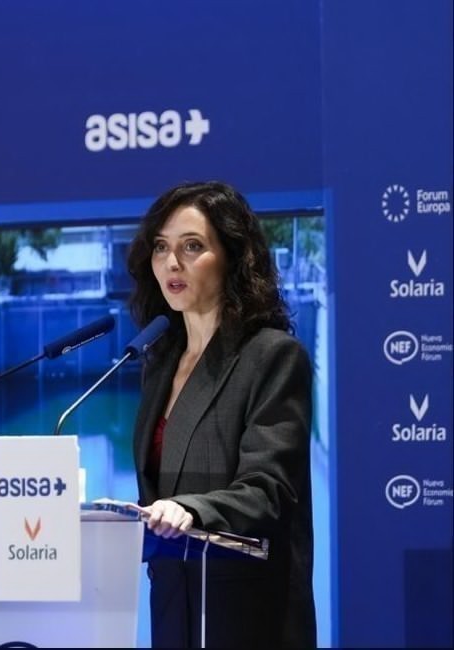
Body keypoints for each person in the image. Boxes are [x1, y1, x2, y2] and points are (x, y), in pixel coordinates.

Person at [125, 181, 316, 648]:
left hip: (246, 615)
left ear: (233, 256)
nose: (172, 262)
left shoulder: (271, 357)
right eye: (161, 247)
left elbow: (269, 490)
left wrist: (190, 510)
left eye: (192, 246)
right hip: (173, 606)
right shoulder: (160, 363)